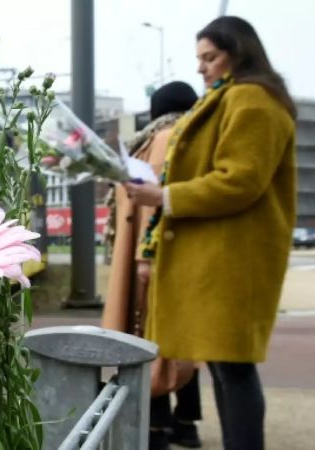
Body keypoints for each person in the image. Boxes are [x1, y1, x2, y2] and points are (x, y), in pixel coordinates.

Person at [124, 16, 297, 450]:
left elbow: (240, 181)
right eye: (199, 58)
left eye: (210, 57)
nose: (201, 68)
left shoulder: (252, 101)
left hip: (234, 259)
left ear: (239, 53)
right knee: (226, 367)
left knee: (232, 368)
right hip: (225, 256)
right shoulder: (234, 99)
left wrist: (164, 197)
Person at [101, 81, 202, 450]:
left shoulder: (153, 140)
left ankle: (156, 426)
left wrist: (143, 257)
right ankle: (185, 424)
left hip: (150, 258)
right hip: (167, 257)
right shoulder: (184, 137)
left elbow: (151, 206)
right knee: (180, 343)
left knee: (151, 339)